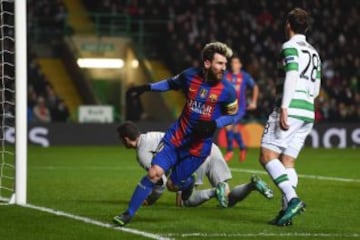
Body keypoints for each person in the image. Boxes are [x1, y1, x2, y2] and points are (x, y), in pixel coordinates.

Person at [113, 42, 240, 226]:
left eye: (225, 64)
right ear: (206, 63)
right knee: (154, 174)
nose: (224, 68)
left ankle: (187, 183)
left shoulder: (227, 90)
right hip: (175, 139)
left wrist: (214, 124)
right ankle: (128, 214)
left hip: (198, 148)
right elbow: (169, 84)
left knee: (173, 185)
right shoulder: (189, 76)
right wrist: (146, 88)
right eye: (220, 63)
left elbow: (233, 115)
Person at [117, 121, 274, 208]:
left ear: (125, 139)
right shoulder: (152, 135)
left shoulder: (143, 153)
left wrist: (149, 200)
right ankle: (252, 185)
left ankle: (214, 191)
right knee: (228, 198)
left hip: (194, 156)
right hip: (209, 146)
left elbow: (161, 181)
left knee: (184, 201)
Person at [259, 8, 321, 226]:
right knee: (288, 162)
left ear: (288, 25)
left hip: (291, 108)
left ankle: (293, 200)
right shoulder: (313, 51)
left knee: (267, 156)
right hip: (307, 111)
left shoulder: (289, 46)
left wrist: (285, 106)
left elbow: (293, 73)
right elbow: (316, 87)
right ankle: (286, 212)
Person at [223, 55, 259, 162]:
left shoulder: (245, 76)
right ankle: (243, 148)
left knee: (229, 126)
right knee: (234, 129)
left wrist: (254, 102)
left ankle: (230, 151)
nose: (233, 64)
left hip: (240, 107)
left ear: (240, 65)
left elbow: (255, 87)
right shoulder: (226, 75)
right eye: (232, 62)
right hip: (228, 106)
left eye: (235, 62)